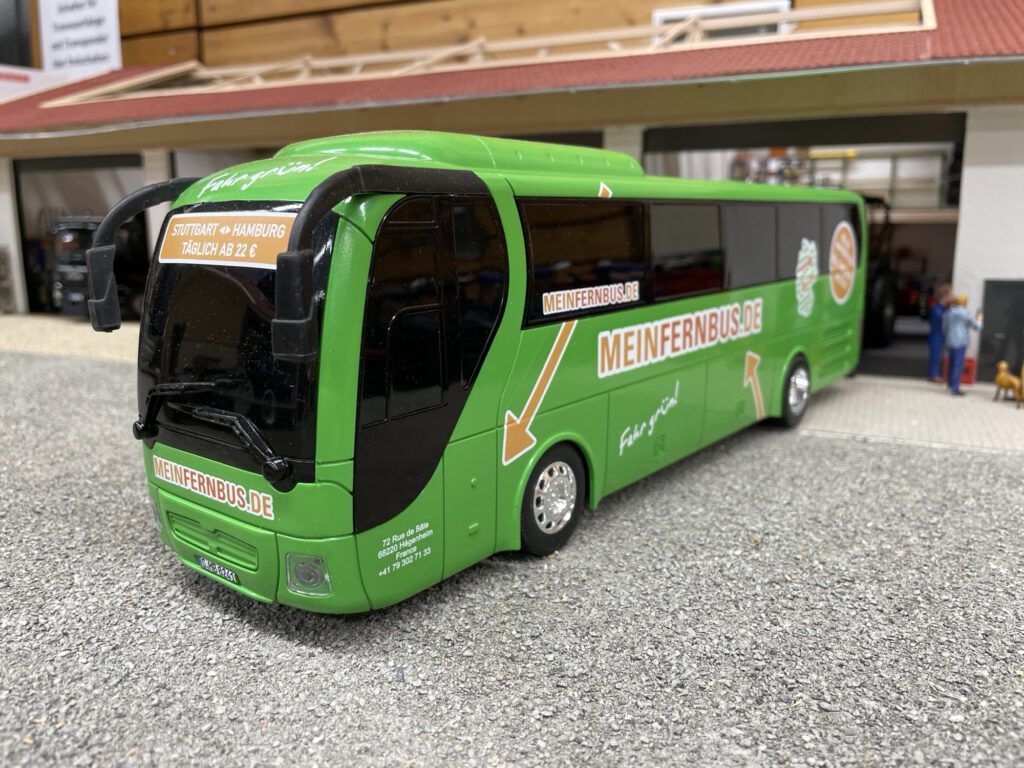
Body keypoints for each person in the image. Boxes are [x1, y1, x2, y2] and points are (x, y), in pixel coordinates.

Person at [942, 293, 983, 396]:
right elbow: (977, 327)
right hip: (960, 342)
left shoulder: (948, 313)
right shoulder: (965, 314)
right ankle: (955, 389)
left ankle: (950, 385)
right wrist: (980, 319)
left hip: (950, 340)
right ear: (965, 302)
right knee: (958, 365)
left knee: (951, 364)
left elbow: (944, 327)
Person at [927, 283, 952, 382]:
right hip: (936, 335)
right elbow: (942, 318)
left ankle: (935, 374)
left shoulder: (943, 308)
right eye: (950, 294)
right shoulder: (937, 308)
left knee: (938, 355)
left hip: (940, 335)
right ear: (944, 296)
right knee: (935, 354)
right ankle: (933, 375)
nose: (952, 297)